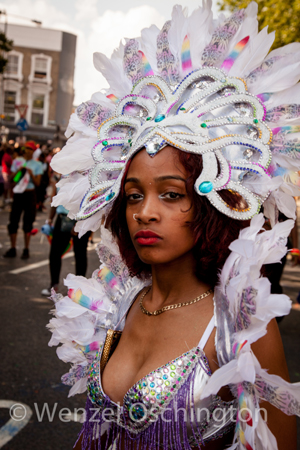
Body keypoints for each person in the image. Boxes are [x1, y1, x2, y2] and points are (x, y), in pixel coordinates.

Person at [47, 4, 300, 449]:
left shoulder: (236, 328)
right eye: (133, 196)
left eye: (170, 194)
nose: (145, 212)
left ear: (209, 202)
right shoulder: (117, 306)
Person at [41, 197, 91, 296]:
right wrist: (50, 218)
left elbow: (90, 200)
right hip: (62, 219)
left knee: (80, 253)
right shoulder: (60, 180)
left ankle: (79, 288)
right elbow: (56, 198)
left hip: (82, 219)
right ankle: (54, 285)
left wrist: (78, 223)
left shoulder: (86, 181)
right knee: (54, 254)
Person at [4, 140, 43, 259]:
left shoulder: (37, 164)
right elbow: (12, 179)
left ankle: (26, 249)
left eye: (30, 149)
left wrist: (30, 174)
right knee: (13, 220)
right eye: (26, 148)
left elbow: (37, 183)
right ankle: (13, 247)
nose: (27, 150)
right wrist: (19, 171)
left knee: (28, 221)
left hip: (30, 194)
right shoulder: (17, 161)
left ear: (33, 151)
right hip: (18, 194)